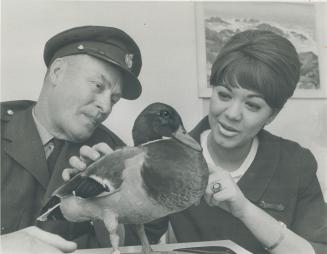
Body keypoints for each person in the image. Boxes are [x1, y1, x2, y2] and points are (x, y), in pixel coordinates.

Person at [73, 29, 327, 254]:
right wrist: (98, 199)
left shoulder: (296, 163)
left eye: (252, 105)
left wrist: (244, 209)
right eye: (224, 95)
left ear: (272, 115)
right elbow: (137, 241)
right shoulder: (154, 157)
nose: (232, 113)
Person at [1, 25, 142, 253]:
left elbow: (133, 244)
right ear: (57, 72)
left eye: (114, 99)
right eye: (98, 86)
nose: (105, 107)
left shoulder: (113, 155)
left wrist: (107, 202)